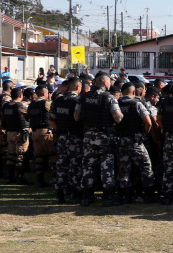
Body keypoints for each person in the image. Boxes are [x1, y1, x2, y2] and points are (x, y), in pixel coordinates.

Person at [75, 72, 124, 206]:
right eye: (109, 82)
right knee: (106, 166)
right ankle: (108, 197)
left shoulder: (83, 98)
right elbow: (118, 118)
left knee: (88, 166)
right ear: (104, 82)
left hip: (88, 136)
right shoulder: (109, 97)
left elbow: (76, 117)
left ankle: (87, 196)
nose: (110, 84)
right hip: (104, 136)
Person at [115, 83, 155, 204]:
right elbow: (148, 123)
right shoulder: (136, 104)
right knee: (146, 167)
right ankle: (148, 195)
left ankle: (126, 196)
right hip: (135, 141)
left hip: (121, 140)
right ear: (133, 92)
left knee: (123, 168)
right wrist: (144, 134)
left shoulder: (116, 104)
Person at [49, 78, 83, 203]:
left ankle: (60, 194)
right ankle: (75, 194)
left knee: (61, 165)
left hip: (62, 136)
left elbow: (51, 119)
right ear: (78, 87)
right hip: (75, 137)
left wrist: (60, 130)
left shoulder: (58, 101)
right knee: (76, 165)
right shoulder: (78, 101)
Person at [26, 85, 55, 188]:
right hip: (46, 132)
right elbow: (53, 114)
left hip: (35, 133)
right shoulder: (46, 103)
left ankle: (40, 180)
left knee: (39, 158)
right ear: (44, 93)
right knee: (53, 156)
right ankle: (56, 178)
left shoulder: (31, 105)